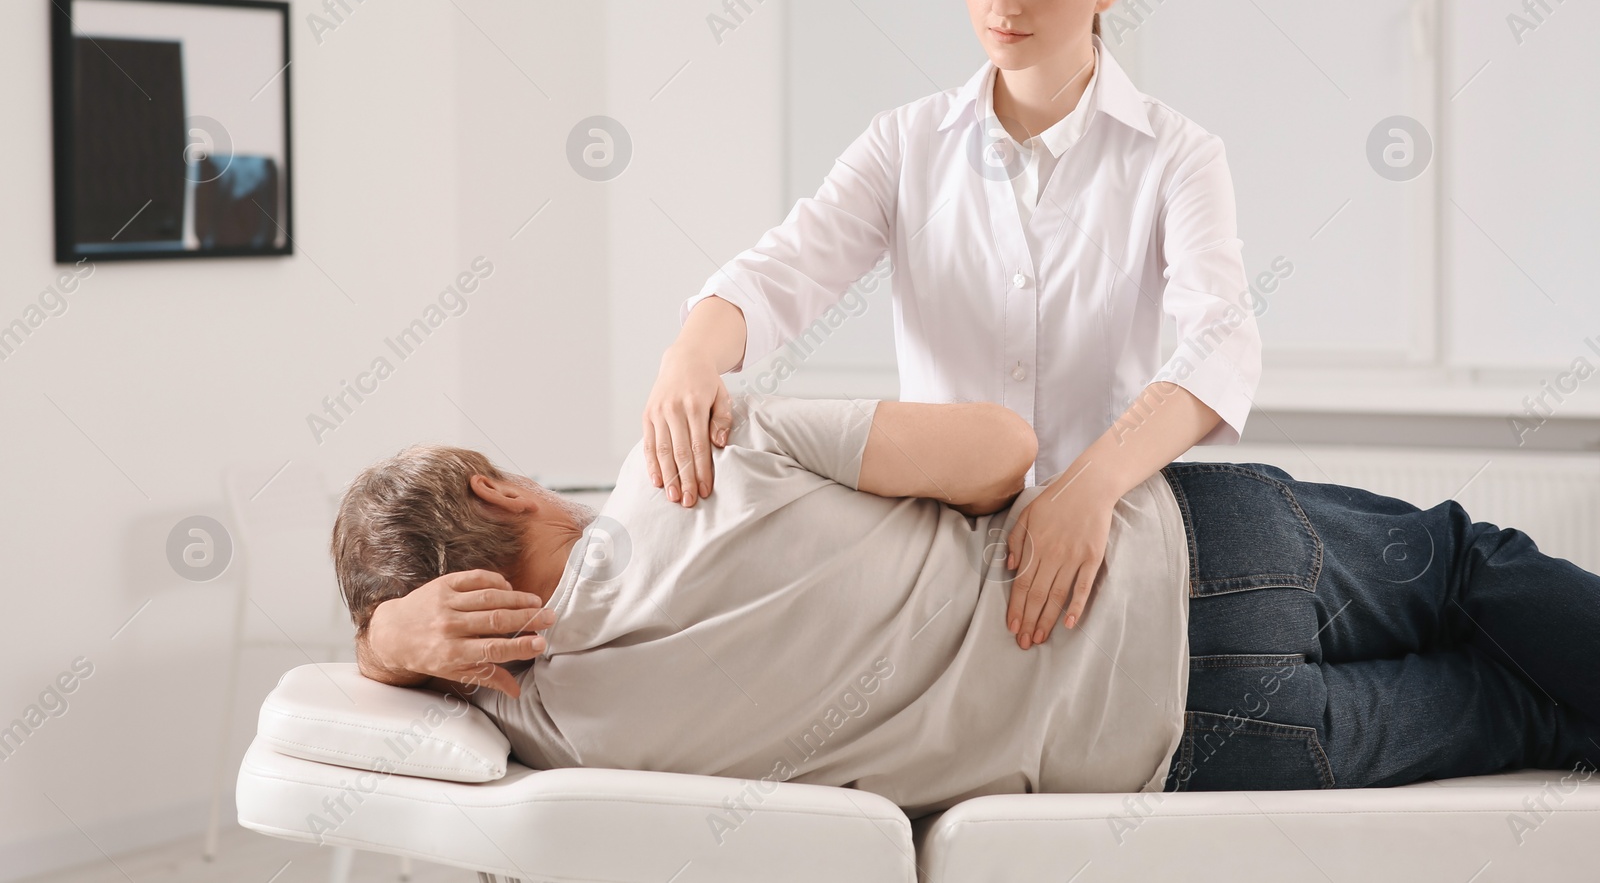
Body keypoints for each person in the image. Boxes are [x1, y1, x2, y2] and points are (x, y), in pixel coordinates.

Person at [338, 393, 1600, 819]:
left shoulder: (543, 727)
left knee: (1529, 718)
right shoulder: (707, 454)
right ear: (498, 483)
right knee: (1467, 567)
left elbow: (326, 722)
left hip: (1195, 748)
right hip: (1190, 554)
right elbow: (1003, 449)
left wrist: (388, 641)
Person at [642, 0, 1266, 652]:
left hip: (1108, 537)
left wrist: (1092, 485)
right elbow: (781, 271)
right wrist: (691, 356)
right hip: (936, 552)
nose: (1003, 4)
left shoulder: (1176, 155)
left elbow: (1222, 341)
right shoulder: (907, 145)